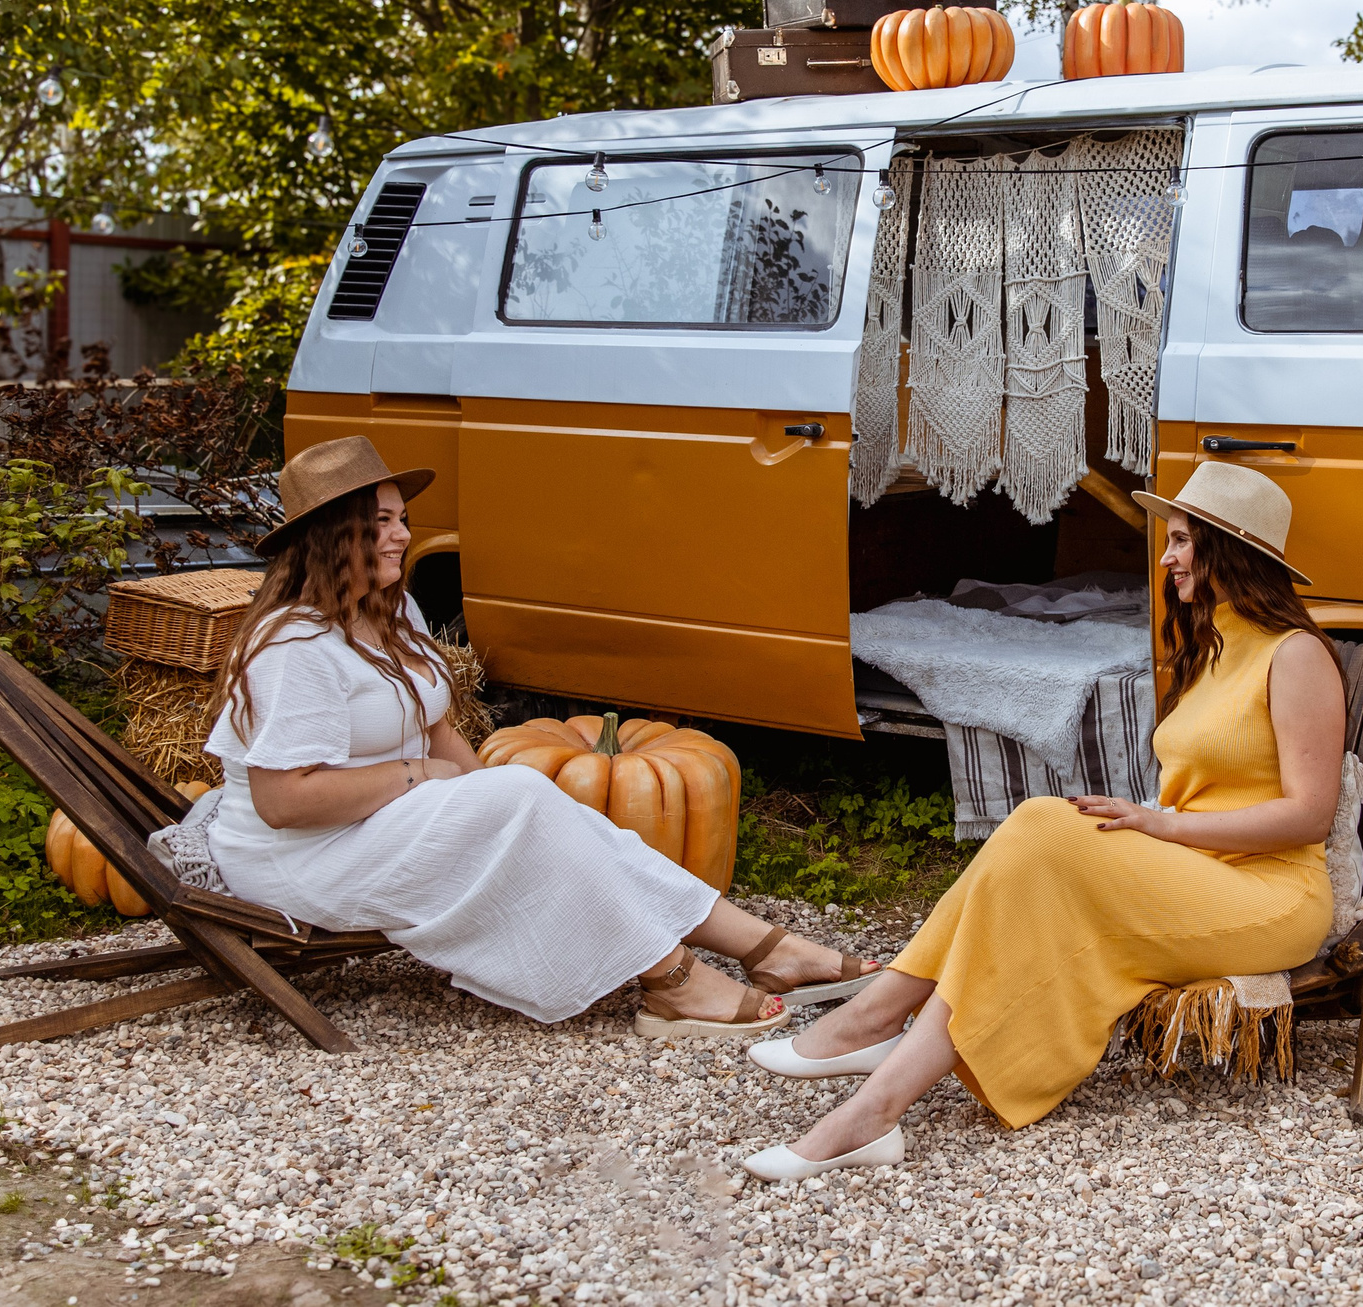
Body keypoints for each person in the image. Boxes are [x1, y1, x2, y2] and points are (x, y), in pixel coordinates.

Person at [740, 461, 1343, 1179]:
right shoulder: (1212, 650)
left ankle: (875, 1023)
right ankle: (873, 1104)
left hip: (1271, 897)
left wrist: (1163, 827)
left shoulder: (1295, 654)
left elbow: (1309, 815)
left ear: (1227, 550)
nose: (1166, 558)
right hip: (1200, 872)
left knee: (1040, 825)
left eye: (1181, 540)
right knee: (1035, 862)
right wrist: (1156, 822)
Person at [202, 436, 878, 1037]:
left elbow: (432, 726)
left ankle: (766, 949)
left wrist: (483, 793)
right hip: (298, 856)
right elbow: (283, 802)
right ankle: (672, 980)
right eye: (379, 522)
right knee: (526, 794)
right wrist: (421, 778)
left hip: (374, 821)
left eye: (401, 518)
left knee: (548, 809)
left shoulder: (391, 608)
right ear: (329, 534)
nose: (401, 535)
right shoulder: (292, 645)